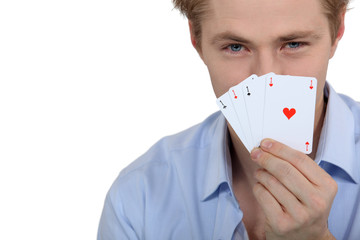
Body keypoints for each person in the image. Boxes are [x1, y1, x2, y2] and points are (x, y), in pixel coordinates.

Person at [98, 0, 360, 239]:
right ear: (197, 40)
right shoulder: (138, 196)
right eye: (235, 47)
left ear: (337, 30)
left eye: (293, 44)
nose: (265, 77)